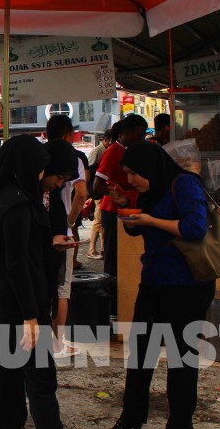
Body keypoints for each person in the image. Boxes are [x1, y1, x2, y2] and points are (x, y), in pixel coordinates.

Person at [108, 141, 215, 429]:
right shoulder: (153, 189)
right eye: (127, 173)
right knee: (141, 353)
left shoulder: (185, 183)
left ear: (149, 167)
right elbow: (138, 229)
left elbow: (195, 228)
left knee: (181, 358)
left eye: (133, 173)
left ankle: (180, 422)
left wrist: (151, 220)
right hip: (154, 280)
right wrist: (126, 208)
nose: (129, 180)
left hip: (187, 284)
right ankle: (131, 418)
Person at [0, 135, 76, 429]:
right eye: (39, 166)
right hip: (19, 300)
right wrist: (30, 317)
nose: (41, 173)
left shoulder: (0, 193)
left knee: (7, 372)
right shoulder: (18, 204)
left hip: (2, 293)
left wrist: (48, 244)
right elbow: (18, 264)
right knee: (40, 377)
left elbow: (15, 251)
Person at [93, 114, 147, 314]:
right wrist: (118, 193)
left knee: (125, 257)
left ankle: (120, 302)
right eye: (139, 134)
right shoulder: (113, 152)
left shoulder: (132, 150)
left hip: (128, 208)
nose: (141, 138)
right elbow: (98, 185)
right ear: (128, 132)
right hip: (113, 210)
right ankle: (111, 305)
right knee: (113, 259)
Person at [45, 115, 88, 356]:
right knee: (61, 287)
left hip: (49, 229)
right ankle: (58, 343)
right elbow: (82, 193)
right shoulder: (74, 158)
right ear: (68, 134)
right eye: (60, 179)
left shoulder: (41, 156)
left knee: (48, 286)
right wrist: (70, 222)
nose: (60, 183)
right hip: (60, 228)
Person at [87, 126, 116, 260]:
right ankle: (92, 249)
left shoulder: (107, 150)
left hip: (102, 193)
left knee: (100, 222)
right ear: (106, 140)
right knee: (98, 222)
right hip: (98, 193)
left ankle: (102, 248)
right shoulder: (98, 151)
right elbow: (91, 172)